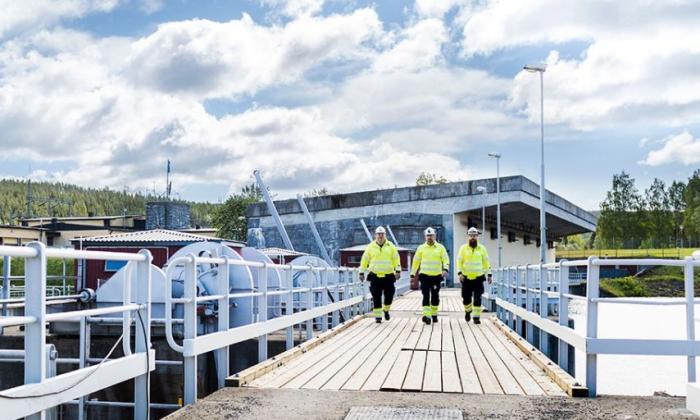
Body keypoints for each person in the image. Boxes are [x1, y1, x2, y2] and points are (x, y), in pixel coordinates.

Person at [359, 226, 401, 323]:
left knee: (390, 295)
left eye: (382, 234)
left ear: (385, 235)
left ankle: (386, 309)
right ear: (375, 235)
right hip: (375, 276)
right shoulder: (370, 247)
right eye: (378, 234)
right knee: (376, 296)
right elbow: (364, 260)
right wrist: (361, 272)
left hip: (388, 276)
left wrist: (398, 271)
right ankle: (378, 317)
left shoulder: (391, 246)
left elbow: (396, 259)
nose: (380, 236)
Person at [410, 227, 449, 325]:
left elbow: (446, 259)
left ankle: (434, 314)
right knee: (426, 295)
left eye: (431, 235)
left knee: (435, 296)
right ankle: (427, 316)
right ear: (425, 237)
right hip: (424, 276)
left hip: (436, 276)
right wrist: (412, 274)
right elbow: (416, 262)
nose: (429, 237)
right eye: (427, 236)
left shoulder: (440, 248)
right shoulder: (421, 248)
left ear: (434, 236)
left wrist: (445, 269)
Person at [457, 227, 492, 324]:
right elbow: (459, 261)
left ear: (477, 236)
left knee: (477, 298)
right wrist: (459, 273)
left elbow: (486, 262)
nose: (473, 237)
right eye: (471, 235)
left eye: (475, 235)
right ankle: (468, 311)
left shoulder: (482, 249)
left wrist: (489, 274)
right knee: (466, 298)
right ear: (468, 236)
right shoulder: (463, 248)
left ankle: (476, 317)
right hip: (466, 277)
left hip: (478, 277)